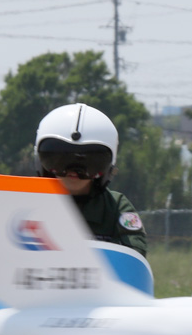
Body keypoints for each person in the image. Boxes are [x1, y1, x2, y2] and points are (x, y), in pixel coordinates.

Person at [34, 102, 146, 256]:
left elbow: (134, 257)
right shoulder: (25, 202)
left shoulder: (116, 207)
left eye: (88, 164)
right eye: (60, 160)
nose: (73, 172)